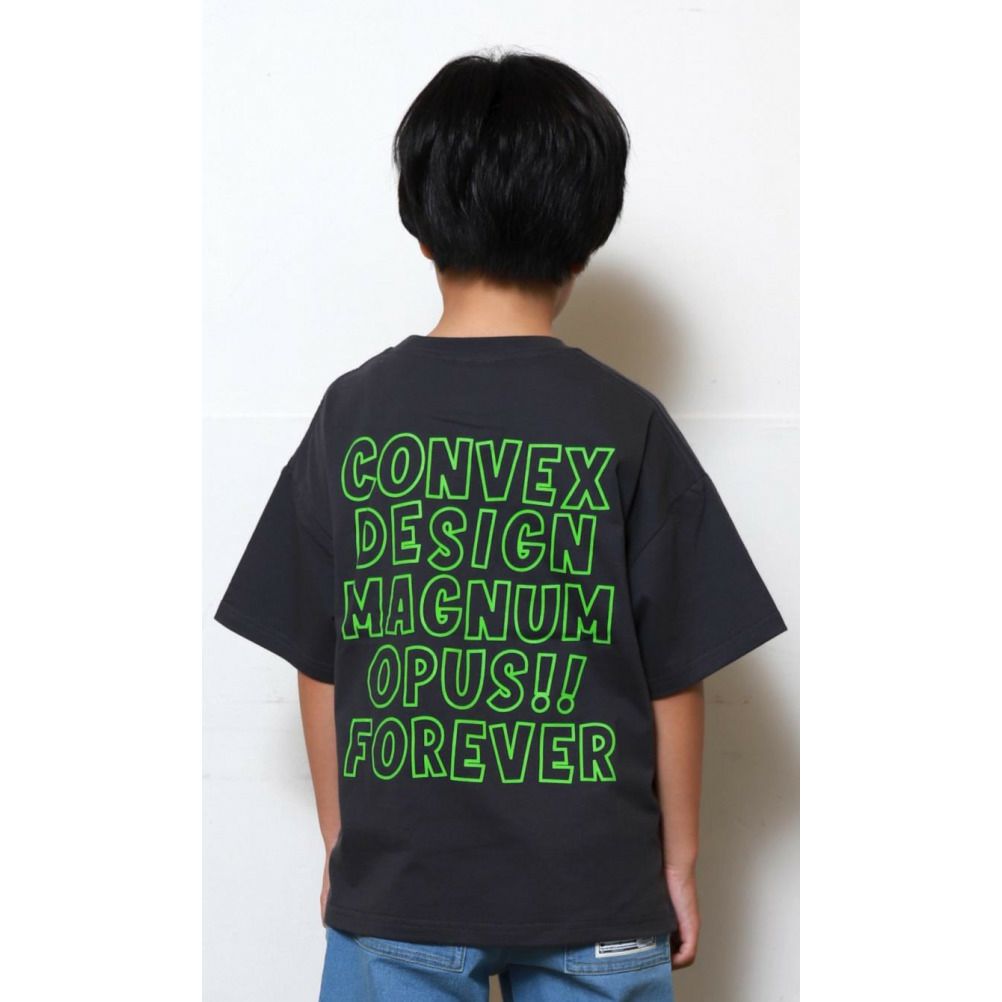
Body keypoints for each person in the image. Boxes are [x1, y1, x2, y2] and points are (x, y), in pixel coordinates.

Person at [214, 48, 787, 1002]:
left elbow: (320, 657)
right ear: (585, 240)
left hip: (401, 894)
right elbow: (676, 673)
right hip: (599, 898)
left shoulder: (354, 415)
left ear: (421, 228)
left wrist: (344, 845)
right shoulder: (628, 422)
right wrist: (677, 864)